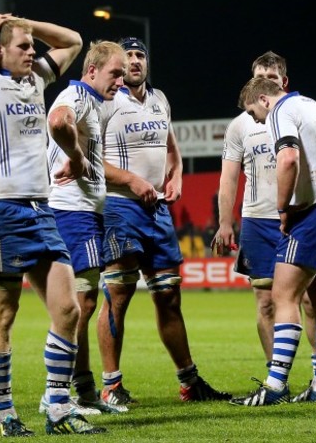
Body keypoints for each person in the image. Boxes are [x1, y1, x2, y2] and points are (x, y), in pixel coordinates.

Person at [0, 14, 108, 436]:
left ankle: (56, 408)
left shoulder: (35, 81)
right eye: (23, 46)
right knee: (4, 314)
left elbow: (72, 39)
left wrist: (21, 23)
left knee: (68, 310)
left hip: (42, 210)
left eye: (33, 46)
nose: (33, 52)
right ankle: (5, 415)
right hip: (0, 211)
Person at [97, 37, 231, 405]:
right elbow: (90, 160)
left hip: (156, 210)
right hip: (119, 207)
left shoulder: (160, 100)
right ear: (119, 64)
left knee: (169, 296)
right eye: (129, 56)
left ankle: (190, 383)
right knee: (118, 296)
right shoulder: (107, 100)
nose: (135, 61)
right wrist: (132, 181)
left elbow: (172, 149)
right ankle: (110, 386)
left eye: (141, 55)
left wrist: (177, 176)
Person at [212, 51, 316, 389]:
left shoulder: (286, 113)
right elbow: (228, 177)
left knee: (312, 301)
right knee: (268, 301)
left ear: (281, 83)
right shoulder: (242, 124)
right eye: (258, 75)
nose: (264, 82)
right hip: (259, 220)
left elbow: (298, 158)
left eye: (270, 77)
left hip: (301, 213)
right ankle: (278, 376)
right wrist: (225, 222)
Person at [39, 41, 128, 416]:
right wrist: (75, 157)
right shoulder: (74, 95)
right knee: (81, 304)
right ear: (91, 71)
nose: (120, 81)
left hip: (86, 213)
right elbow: (58, 121)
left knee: (85, 303)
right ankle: (62, 394)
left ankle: (85, 392)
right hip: (71, 213)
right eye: (115, 73)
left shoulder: (93, 102)